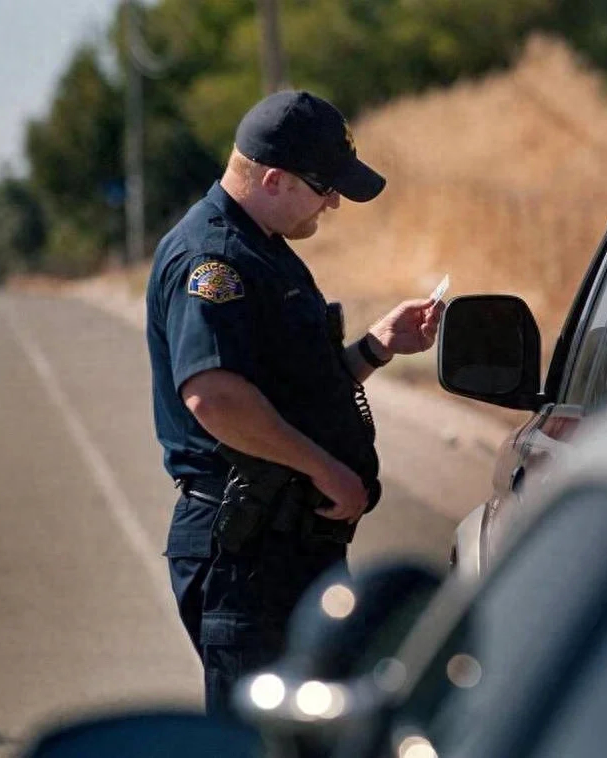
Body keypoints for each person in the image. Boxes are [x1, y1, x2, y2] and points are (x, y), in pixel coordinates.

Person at [145, 89, 443, 715]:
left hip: (285, 546)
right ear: (276, 179)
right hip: (247, 555)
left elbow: (290, 391)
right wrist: (322, 467)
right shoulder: (216, 259)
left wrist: (375, 347)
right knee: (265, 738)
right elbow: (215, 398)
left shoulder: (263, 249)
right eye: (325, 186)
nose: (334, 201)